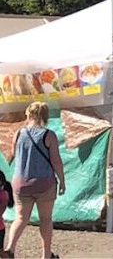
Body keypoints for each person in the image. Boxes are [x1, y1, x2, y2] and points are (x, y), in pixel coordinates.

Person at [4, 102, 65, 259]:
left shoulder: (18, 133)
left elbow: (13, 153)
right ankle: (46, 255)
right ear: (45, 116)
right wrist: (62, 181)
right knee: (45, 219)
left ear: (28, 114)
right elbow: (56, 161)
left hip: (21, 183)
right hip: (44, 183)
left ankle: (10, 250)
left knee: (21, 218)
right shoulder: (49, 135)